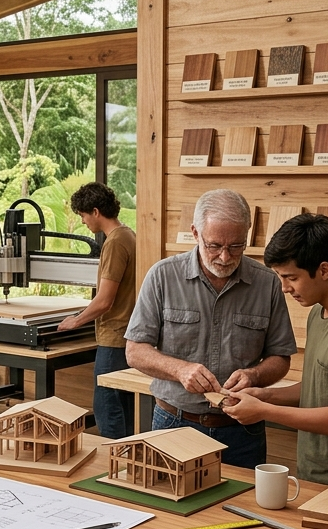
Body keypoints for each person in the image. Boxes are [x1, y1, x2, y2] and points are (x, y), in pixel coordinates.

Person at [224, 214, 328, 495]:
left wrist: (264, 412)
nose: (284, 288)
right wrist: (263, 395)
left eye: (291, 277)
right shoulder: (319, 312)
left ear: (325, 270)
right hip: (317, 477)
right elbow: (320, 388)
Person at [123, 189, 296, 468]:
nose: (225, 257)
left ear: (248, 234)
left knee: (242, 510)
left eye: (236, 246)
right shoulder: (163, 276)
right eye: (214, 246)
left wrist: (254, 375)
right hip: (174, 424)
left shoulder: (267, 283)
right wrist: (180, 370)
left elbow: (281, 358)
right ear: (195, 233)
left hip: (242, 430)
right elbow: (135, 351)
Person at [57, 182, 137, 439]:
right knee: (122, 408)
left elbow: (105, 301)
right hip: (127, 335)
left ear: (95, 211)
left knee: (107, 409)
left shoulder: (115, 243)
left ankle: (110, 465)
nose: (83, 222)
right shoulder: (129, 235)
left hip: (114, 339)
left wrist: (75, 321)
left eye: (82, 215)